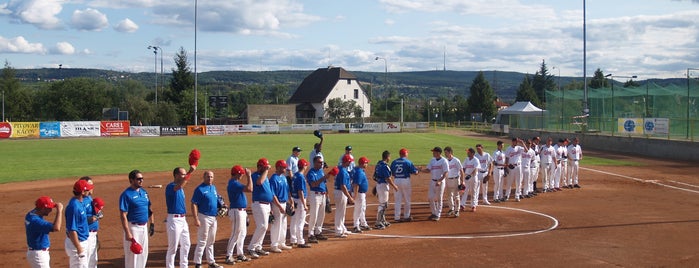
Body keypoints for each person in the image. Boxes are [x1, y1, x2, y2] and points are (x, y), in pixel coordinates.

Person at [119, 170, 154, 268]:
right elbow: (123, 215)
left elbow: (149, 208)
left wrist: (152, 223)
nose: (141, 181)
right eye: (138, 179)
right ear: (131, 180)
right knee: (133, 256)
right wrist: (127, 232)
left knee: (143, 254)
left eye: (142, 178)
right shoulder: (126, 194)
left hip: (144, 227)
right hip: (133, 228)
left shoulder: (144, 192)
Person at [191, 171, 224, 268]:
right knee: (202, 240)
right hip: (203, 217)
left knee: (211, 240)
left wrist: (221, 206)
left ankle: (211, 262)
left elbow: (215, 200)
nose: (210, 178)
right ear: (204, 177)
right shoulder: (199, 189)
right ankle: (198, 263)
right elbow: (194, 204)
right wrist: (196, 218)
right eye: (208, 177)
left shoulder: (213, 188)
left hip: (213, 217)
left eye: (211, 177)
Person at [225, 165, 253, 264]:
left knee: (242, 233)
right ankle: (229, 255)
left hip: (241, 211)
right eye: (241, 174)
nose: (242, 175)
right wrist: (249, 176)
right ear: (236, 174)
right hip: (236, 211)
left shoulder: (235, 183)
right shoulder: (233, 184)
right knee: (235, 233)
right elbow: (250, 189)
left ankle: (240, 254)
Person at [25, 196, 63, 268]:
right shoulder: (36, 221)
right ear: (42, 208)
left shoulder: (31, 214)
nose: (51, 210)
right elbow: (56, 228)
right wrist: (59, 211)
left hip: (36, 253)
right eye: (49, 208)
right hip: (38, 255)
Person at [306, 156, 337, 243]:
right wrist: (324, 177)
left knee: (321, 215)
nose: (321, 164)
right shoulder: (311, 173)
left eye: (322, 162)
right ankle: (310, 234)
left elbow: (324, 184)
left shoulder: (321, 171)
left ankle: (318, 232)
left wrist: (327, 197)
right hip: (315, 195)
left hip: (323, 195)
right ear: (315, 163)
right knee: (314, 215)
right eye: (319, 162)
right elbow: (313, 184)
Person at [165, 167, 191, 268]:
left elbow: (181, 186)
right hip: (174, 220)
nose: (184, 176)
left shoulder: (181, 188)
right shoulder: (171, 186)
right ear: (176, 175)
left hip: (183, 219)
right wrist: (190, 172)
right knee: (173, 247)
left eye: (185, 174)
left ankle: (184, 266)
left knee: (186, 244)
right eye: (183, 174)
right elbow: (178, 187)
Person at [65, 179, 93, 268]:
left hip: (82, 240)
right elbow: (72, 230)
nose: (89, 191)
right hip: (77, 243)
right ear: (82, 192)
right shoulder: (74, 207)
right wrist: (79, 248)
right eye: (87, 190)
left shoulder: (79, 202)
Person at [247, 158, 272, 258]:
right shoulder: (254, 176)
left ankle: (258, 246)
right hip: (259, 204)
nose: (267, 168)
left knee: (263, 227)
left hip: (266, 205)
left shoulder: (264, 176)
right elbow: (259, 182)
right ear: (260, 166)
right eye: (265, 166)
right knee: (262, 226)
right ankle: (251, 248)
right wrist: (266, 170)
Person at [269, 160, 293, 253]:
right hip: (277, 204)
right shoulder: (273, 179)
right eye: (283, 167)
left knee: (283, 224)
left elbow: (287, 190)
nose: (285, 169)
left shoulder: (283, 178)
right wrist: (279, 206)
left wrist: (291, 201)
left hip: (284, 203)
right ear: (278, 167)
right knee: (277, 225)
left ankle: (281, 243)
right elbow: (273, 194)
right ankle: (274, 244)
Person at [78, 176, 101, 268]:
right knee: (85, 262)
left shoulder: (90, 198)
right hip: (85, 235)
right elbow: (78, 221)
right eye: (90, 185)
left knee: (93, 261)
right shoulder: (81, 201)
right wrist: (93, 218)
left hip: (92, 234)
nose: (92, 187)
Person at [390, 148, 419, 222]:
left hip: (396, 180)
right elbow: (414, 172)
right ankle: (406, 216)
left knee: (397, 200)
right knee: (407, 199)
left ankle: (397, 217)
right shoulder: (408, 162)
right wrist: (418, 170)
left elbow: (392, 173)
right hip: (405, 181)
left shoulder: (394, 162)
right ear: (405, 154)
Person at [290, 159, 312, 248]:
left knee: (294, 220)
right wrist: (304, 204)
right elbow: (301, 191)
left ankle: (293, 239)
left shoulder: (295, 175)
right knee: (300, 221)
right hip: (300, 200)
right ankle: (300, 241)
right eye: (306, 165)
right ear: (304, 166)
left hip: (295, 199)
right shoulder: (301, 177)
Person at [374, 151, 397, 229]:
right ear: (387, 157)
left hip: (379, 185)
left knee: (384, 204)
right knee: (383, 204)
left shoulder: (378, 164)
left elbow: (375, 176)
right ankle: (378, 222)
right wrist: (394, 186)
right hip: (383, 186)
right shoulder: (385, 166)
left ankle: (383, 220)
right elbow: (388, 178)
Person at [425, 147, 449, 221]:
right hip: (432, 181)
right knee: (430, 197)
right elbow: (428, 169)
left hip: (440, 182)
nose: (433, 153)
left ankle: (438, 214)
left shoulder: (444, 161)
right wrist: (420, 170)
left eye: (434, 152)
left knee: (439, 198)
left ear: (438, 153)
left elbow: (446, 172)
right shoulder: (432, 160)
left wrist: (440, 180)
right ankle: (434, 213)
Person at [334, 155, 355, 237]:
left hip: (340, 192)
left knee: (342, 212)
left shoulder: (340, 168)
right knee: (340, 212)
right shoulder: (342, 171)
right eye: (350, 161)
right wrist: (349, 197)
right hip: (340, 192)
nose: (350, 163)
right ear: (347, 162)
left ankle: (342, 228)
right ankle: (338, 231)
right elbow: (343, 186)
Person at [352, 156, 372, 233]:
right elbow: (356, 184)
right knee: (358, 209)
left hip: (361, 193)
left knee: (362, 209)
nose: (367, 164)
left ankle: (363, 223)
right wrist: (355, 196)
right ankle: (356, 226)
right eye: (366, 163)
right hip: (359, 194)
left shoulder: (359, 170)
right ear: (363, 163)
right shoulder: (359, 172)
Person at [443, 147, 464, 217]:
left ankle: (457, 210)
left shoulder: (456, 160)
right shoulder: (445, 161)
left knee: (456, 196)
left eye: (446, 152)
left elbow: (461, 171)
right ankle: (451, 209)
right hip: (448, 180)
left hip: (455, 179)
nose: (445, 154)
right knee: (449, 195)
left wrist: (462, 181)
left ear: (450, 152)